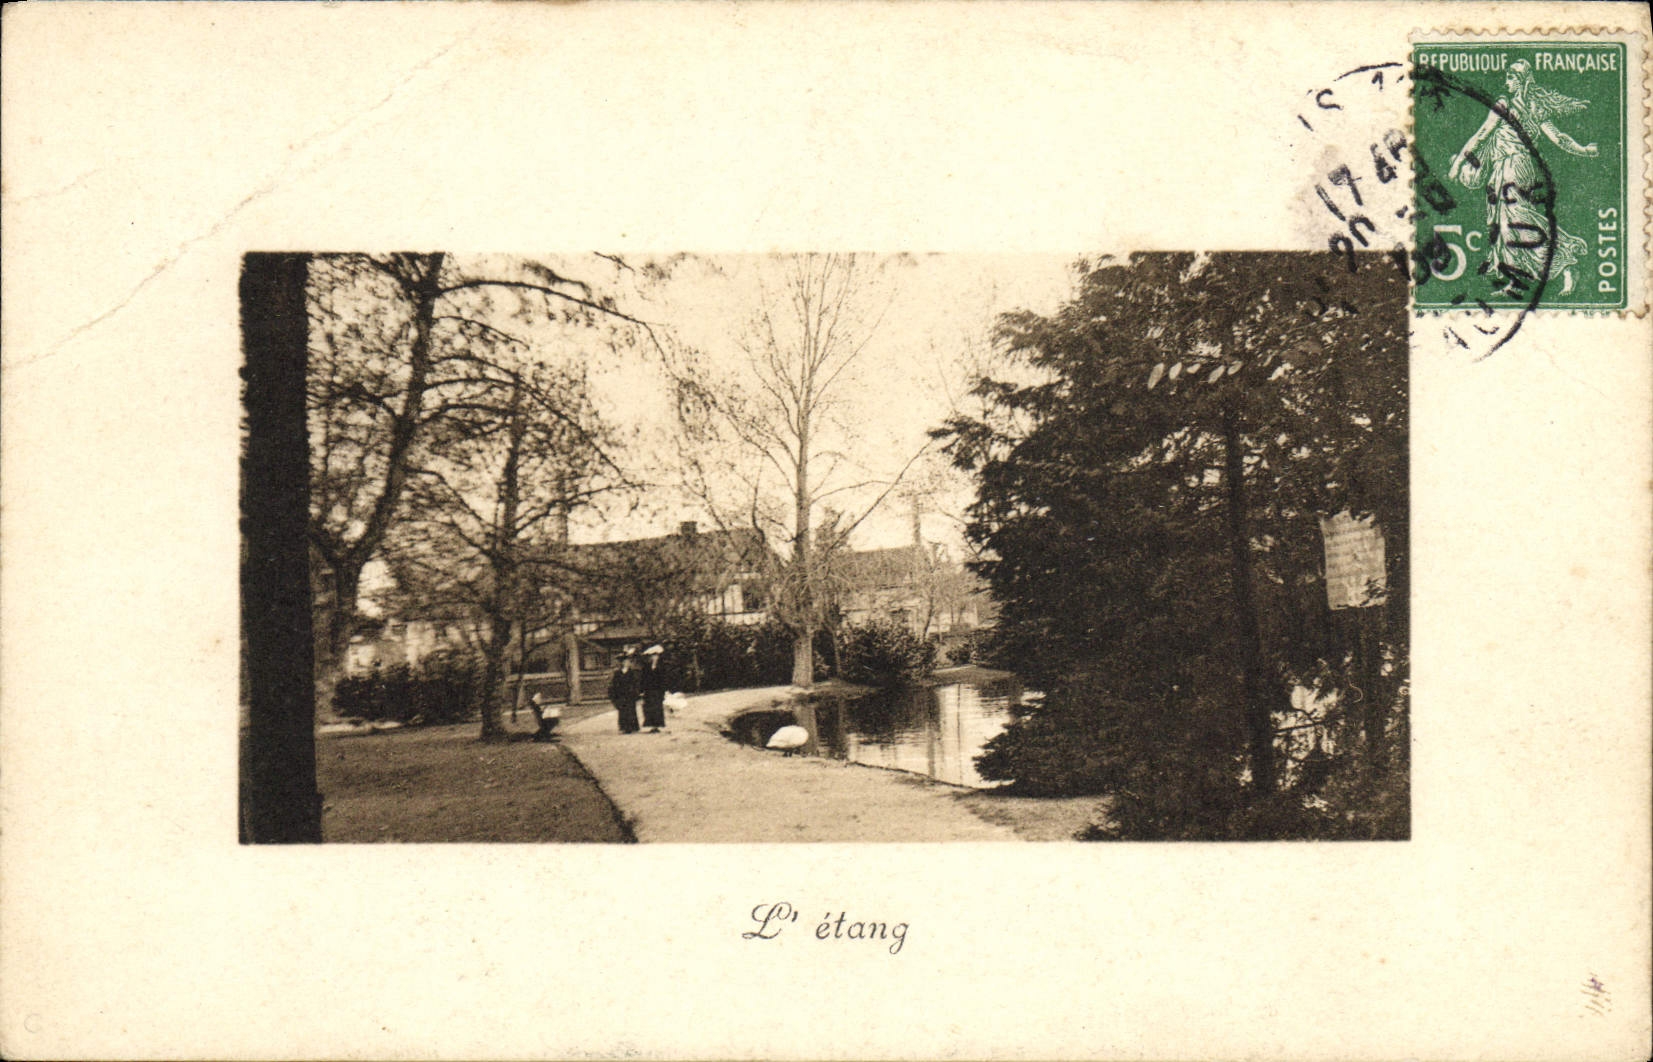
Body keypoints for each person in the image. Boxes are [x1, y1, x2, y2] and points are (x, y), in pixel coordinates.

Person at [1447, 59, 1598, 296]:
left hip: (1512, 167)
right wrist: (1583, 149)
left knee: (1514, 219)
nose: (1506, 82)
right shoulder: (1536, 107)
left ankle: (1565, 262)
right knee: (1506, 221)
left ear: (1520, 82)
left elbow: (1482, 135)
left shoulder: (1504, 104)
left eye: (1510, 78)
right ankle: (1515, 279)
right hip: (1514, 167)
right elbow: (1559, 138)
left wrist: (1457, 163)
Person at [608, 649, 642, 734]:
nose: (627, 663)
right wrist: (615, 694)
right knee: (622, 710)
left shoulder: (632, 672)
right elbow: (614, 684)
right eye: (625, 661)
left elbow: (635, 683)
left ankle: (632, 727)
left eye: (628, 661)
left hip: (630, 693)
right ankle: (624, 727)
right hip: (621, 694)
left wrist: (636, 692)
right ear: (622, 663)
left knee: (631, 710)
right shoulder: (617, 673)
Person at [639, 644, 669, 733]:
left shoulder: (661, 667)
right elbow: (643, 679)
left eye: (656, 656)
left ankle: (657, 725)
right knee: (649, 708)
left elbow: (663, 679)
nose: (655, 658)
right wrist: (642, 690)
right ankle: (651, 725)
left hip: (658, 691)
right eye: (653, 656)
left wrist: (664, 690)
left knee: (657, 707)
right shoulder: (646, 667)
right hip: (648, 691)